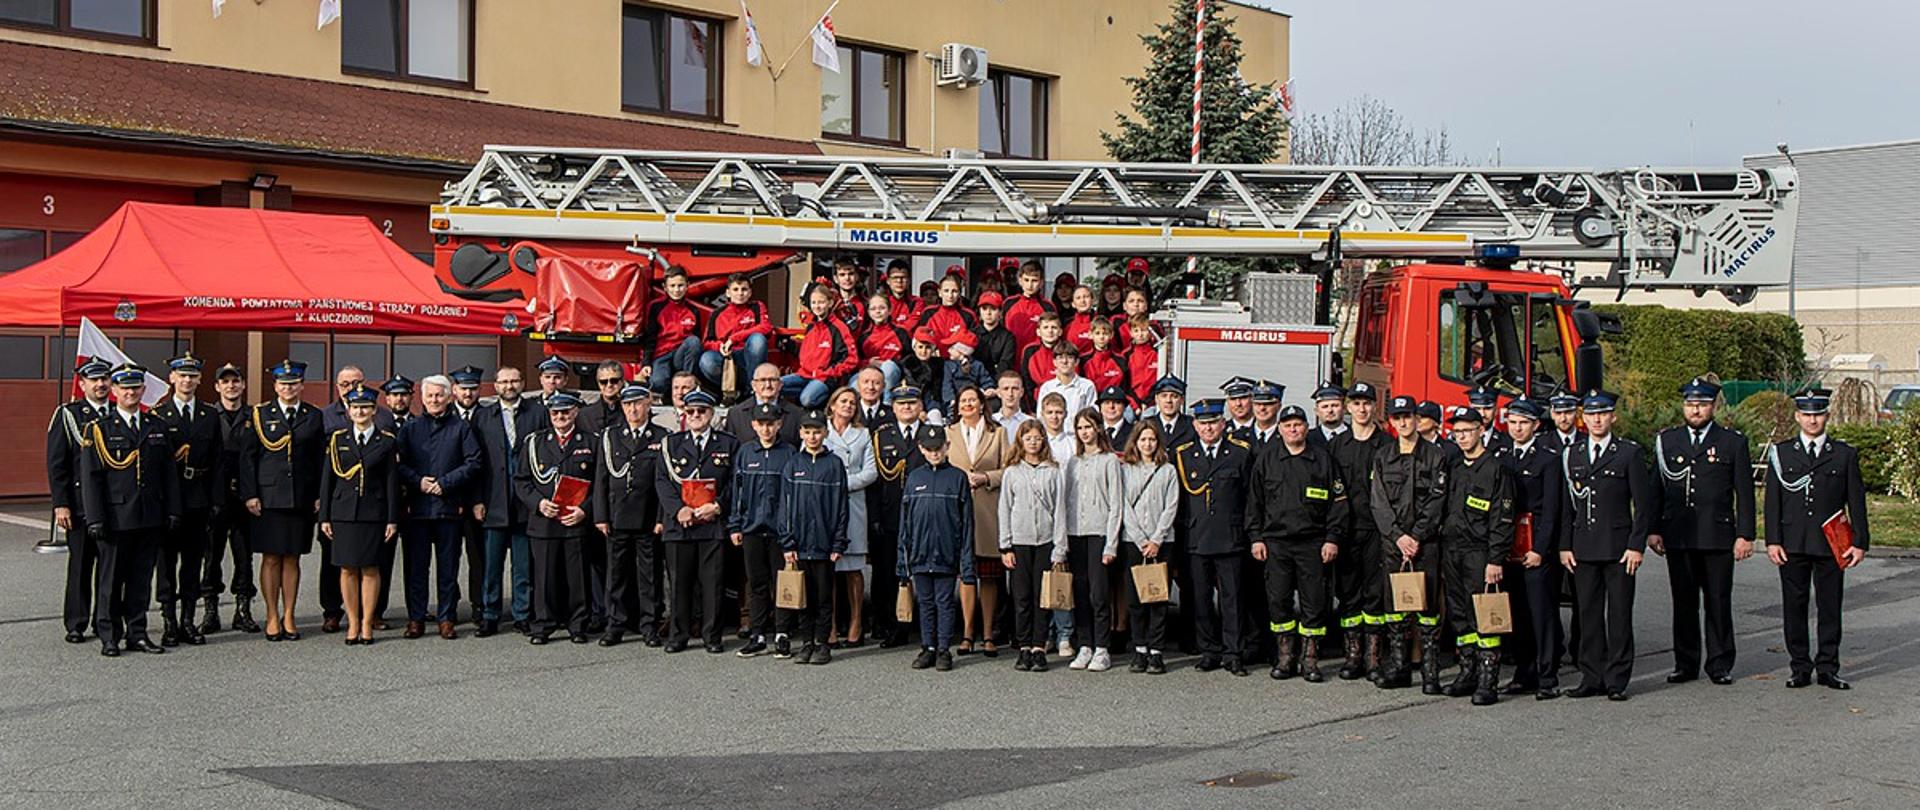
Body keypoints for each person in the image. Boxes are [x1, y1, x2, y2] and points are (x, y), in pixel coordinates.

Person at [1648, 377, 1756, 686]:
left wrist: (1745, 534)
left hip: (1717, 534)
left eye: (1703, 404)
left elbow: (1744, 493)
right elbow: (1656, 488)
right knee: (1683, 602)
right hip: (1678, 534)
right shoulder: (1667, 441)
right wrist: (1653, 528)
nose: (1696, 410)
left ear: (1714, 406)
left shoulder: (1732, 442)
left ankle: (1720, 663)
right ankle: (1685, 663)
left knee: (1718, 600)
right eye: (1691, 404)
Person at [1764, 387, 1869, 690]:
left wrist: (1859, 541)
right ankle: (1799, 667)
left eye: (1818, 414)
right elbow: (1773, 502)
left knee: (1829, 606)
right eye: (1807, 414)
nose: (1812, 420)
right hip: (1793, 542)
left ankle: (1827, 667)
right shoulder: (1782, 453)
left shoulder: (1844, 454)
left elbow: (1856, 502)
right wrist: (1773, 540)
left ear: (1827, 416)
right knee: (1794, 607)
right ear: (1797, 416)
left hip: (1830, 543)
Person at [80, 364, 181, 657]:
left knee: (140, 580)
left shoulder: (156, 426)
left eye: (136, 388)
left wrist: (172, 510)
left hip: (149, 515)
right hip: (115, 517)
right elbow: (91, 479)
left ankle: (137, 633)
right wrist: (95, 517)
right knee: (111, 580)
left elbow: (168, 475)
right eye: (125, 388)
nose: (131, 393)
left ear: (143, 391)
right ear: (114, 391)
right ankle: (109, 634)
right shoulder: (99, 429)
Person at [1559, 390, 1653, 702]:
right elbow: (1567, 506)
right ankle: (1591, 676)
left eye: (1603, 414)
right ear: (1583, 418)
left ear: (1613, 417)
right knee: (1587, 615)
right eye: (1591, 414)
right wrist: (1565, 545)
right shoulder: (1572, 453)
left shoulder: (1628, 453)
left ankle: (1617, 679)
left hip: (1618, 549)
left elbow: (1643, 505)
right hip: (1583, 547)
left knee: (1619, 615)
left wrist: (1636, 545)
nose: (1597, 419)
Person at [1247, 402, 1350, 683]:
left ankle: (1310, 659)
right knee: (1279, 601)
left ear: (1307, 427)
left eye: (1298, 424)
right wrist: (1256, 537)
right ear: (1280, 430)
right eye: (1288, 425)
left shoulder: (1322, 460)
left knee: (1314, 603)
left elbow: (1338, 504)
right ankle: (1285, 657)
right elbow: (1254, 503)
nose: (1294, 429)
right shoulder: (1267, 459)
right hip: (1277, 543)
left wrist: (1332, 538)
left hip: (1313, 544)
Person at [241, 360, 325, 642]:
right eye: (283, 383)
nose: (288, 388)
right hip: (269, 497)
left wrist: (318, 495)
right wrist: (250, 493)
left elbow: (318, 459)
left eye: (293, 383)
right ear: (275, 386)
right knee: (271, 558)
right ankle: (272, 615)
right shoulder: (260, 414)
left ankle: (289, 614)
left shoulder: (313, 416)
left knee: (293, 558)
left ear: (301, 385)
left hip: (301, 496)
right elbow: (248, 457)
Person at [396, 374, 484, 641]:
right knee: (416, 568)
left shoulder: (461, 428)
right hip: (418, 508)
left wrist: (445, 483)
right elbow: (398, 464)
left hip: (449, 507)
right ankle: (416, 619)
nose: (434, 400)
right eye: (430, 395)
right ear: (422, 397)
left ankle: (447, 618)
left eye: (439, 395)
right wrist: (419, 482)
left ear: (449, 397)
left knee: (448, 568)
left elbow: (474, 462)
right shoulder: (410, 429)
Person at [1370, 395, 1447, 691]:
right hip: (1394, 544)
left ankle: (1430, 674)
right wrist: (1399, 536)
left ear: (1417, 419)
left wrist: (1416, 536)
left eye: (1408, 416)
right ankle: (1400, 669)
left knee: (1428, 611)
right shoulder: (1383, 456)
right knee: (1396, 609)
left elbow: (1436, 501)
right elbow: (1378, 502)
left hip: (1424, 544)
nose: (1403, 422)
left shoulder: (1435, 455)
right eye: (1397, 417)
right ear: (1391, 422)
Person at [1437, 407, 1513, 706]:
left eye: (1467, 431)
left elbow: (1502, 518)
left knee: (1484, 614)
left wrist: (1496, 559)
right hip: (1452, 549)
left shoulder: (1496, 468)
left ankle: (1487, 680)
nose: (1463, 437)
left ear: (1481, 430)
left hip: (1480, 552)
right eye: (1457, 432)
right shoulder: (1455, 465)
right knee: (1459, 613)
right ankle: (1467, 672)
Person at [141, 354, 216, 648]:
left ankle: (188, 619)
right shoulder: (159, 415)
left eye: (192, 376)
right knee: (166, 562)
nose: (187, 381)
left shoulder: (209, 415)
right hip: (169, 501)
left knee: (193, 563)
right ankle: (169, 620)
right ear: (171, 379)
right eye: (181, 376)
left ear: (199, 379)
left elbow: (217, 461)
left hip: (198, 498)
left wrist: (215, 500)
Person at [655, 389, 739, 653]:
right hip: (680, 525)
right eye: (690, 411)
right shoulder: (672, 444)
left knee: (712, 583)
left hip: (712, 524)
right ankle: (678, 635)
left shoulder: (728, 444)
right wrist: (678, 509)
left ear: (711, 414)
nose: (695, 416)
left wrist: (718, 506)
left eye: (701, 411)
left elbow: (735, 483)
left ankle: (712, 636)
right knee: (680, 583)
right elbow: (662, 481)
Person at [1176, 399, 1254, 676]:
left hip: (1230, 538)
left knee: (1232, 599)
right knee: (1200, 598)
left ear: (1223, 424)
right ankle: (1208, 650)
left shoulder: (1240, 453)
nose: (1208, 428)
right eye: (1203, 423)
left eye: (1213, 422)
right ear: (1195, 426)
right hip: (1197, 537)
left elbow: (1249, 497)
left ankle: (1233, 652)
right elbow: (1181, 502)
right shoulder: (1184, 455)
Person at [318, 385, 399, 646]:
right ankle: (352, 621)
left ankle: (367, 622)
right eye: (355, 407)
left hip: (373, 513)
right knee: (347, 569)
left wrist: (392, 518)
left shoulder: (386, 441)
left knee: (371, 568)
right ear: (349, 411)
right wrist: (325, 517)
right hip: (343, 513)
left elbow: (391, 483)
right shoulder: (337, 439)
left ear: (374, 410)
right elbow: (327, 481)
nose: (360, 411)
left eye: (365, 407)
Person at [516, 393, 599, 644]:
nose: (560, 417)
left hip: (576, 521)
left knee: (577, 578)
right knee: (544, 577)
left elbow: (600, 483)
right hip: (544, 521)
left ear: (575, 413)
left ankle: (578, 625)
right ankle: (543, 625)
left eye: (565, 412)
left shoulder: (591, 442)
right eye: (555, 413)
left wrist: (586, 509)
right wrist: (538, 504)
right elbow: (521, 481)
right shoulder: (534, 443)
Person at [1497, 398, 1565, 698]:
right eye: (1512, 422)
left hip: (1536, 546)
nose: (1517, 428)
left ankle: (1547, 675)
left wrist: (1540, 548)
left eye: (1523, 423)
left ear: (1536, 425)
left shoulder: (1548, 459)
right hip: (1510, 545)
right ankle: (1524, 673)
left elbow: (1552, 510)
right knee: (1519, 614)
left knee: (1542, 613)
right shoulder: (1501, 456)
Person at [593, 384, 669, 647]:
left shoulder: (661, 436)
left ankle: (650, 624)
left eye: (637, 403)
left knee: (650, 574)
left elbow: (663, 483)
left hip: (648, 517)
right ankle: (616, 624)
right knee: (617, 574)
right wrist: (600, 516)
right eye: (627, 405)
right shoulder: (610, 436)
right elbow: (601, 479)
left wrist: (661, 517)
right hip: (617, 516)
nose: (632, 409)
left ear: (648, 404)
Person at [473, 366, 547, 637]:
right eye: (504, 381)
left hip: (525, 502)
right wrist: (477, 500)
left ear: (523, 383)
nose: (509, 385)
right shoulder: (483, 416)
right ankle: (490, 614)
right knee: (491, 565)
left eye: (514, 380)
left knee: (523, 564)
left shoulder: (538, 413)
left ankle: (522, 614)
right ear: (495, 386)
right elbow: (476, 463)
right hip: (493, 501)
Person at [46, 359, 113, 644]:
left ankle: (105, 620)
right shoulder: (68, 415)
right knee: (81, 565)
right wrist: (61, 504)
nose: (100, 385)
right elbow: (57, 464)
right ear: (82, 384)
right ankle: (76, 622)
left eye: (104, 380)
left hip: (113, 505)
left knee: (110, 567)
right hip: (80, 505)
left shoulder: (120, 412)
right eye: (94, 380)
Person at [897, 431, 975, 672]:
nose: (934, 453)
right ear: (921, 449)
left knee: (944, 602)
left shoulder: (958, 478)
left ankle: (943, 649)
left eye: (938, 448)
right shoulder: (913, 478)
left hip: (946, 552)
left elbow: (967, 523)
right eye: (929, 449)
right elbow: (905, 522)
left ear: (947, 446)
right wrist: (903, 559)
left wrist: (966, 562)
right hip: (920, 553)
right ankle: (927, 647)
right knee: (926, 602)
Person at [779, 410, 850, 664]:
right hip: (799, 544)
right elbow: (784, 508)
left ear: (825, 433)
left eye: (817, 431)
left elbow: (842, 506)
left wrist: (838, 541)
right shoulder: (793, 464)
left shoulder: (834, 464)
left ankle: (822, 644)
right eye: (807, 431)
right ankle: (806, 643)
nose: (812, 436)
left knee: (822, 598)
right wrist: (787, 542)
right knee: (803, 597)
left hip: (824, 544)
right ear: (800, 433)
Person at [1329, 382, 1390, 681]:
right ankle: (1353, 654)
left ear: (1374, 407)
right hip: (1346, 531)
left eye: (1367, 403)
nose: (1362, 409)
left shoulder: (1387, 445)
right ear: (1348, 408)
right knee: (1349, 593)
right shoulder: (1338, 446)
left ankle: (1373, 655)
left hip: (1377, 531)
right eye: (1356, 403)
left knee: (1374, 594)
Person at [945, 385, 1010, 657]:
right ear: (958, 406)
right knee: (967, 576)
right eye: (964, 400)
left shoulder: (999, 433)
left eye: (973, 399)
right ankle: (967, 633)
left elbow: (1009, 468)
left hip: (987, 509)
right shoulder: (949, 433)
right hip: (958, 511)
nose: (969, 404)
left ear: (983, 404)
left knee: (990, 576)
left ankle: (988, 634)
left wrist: (986, 478)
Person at [729, 403, 797, 658]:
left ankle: (782, 634)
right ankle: (758, 634)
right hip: (752, 529)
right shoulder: (746, 452)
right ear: (753, 425)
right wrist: (735, 524)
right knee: (756, 584)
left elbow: (794, 495)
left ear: (779, 424)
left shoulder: (789, 453)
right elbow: (737, 492)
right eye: (762, 423)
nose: (766, 428)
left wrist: (791, 531)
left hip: (781, 532)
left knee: (782, 584)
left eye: (771, 423)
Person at [999, 420, 1068, 672]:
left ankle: (1039, 646)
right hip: (1019, 542)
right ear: (1020, 441)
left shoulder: (1053, 471)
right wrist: (1005, 546)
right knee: (1021, 597)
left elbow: (1060, 510)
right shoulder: (1012, 472)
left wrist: (1059, 546)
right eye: (1028, 438)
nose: (1033, 442)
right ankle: (1023, 646)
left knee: (1043, 597)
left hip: (1045, 541)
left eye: (1038, 438)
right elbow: (1004, 509)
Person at [1062, 408, 1125, 672]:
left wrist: (1111, 543)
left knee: (1099, 593)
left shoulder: (1110, 460)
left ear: (1098, 428)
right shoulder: (1073, 462)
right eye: (1080, 428)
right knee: (1080, 591)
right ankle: (1085, 644)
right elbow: (1065, 502)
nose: (1084, 433)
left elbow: (1116, 504)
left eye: (1089, 427)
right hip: (1076, 533)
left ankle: (1102, 647)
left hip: (1099, 533)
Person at [201, 362, 261, 635]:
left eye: (235, 381)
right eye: (225, 382)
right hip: (216, 495)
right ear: (217, 386)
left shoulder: (255, 416)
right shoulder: (208, 415)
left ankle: (243, 610)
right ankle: (211, 611)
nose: (231, 386)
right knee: (212, 555)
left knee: (244, 555)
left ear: (243, 384)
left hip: (245, 496)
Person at [1114, 421, 1178, 674]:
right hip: (1134, 542)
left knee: (1159, 598)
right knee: (1136, 599)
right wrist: (1141, 539)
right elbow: (1124, 506)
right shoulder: (1126, 469)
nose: (1147, 444)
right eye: (1143, 439)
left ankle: (1157, 651)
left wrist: (1156, 539)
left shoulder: (1168, 470)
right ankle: (1139, 648)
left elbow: (1171, 506)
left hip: (1162, 542)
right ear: (1135, 442)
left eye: (1152, 439)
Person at [870, 385, 930, 647]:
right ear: (892, 407)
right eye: (901, 404)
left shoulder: (931, 435)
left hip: (923, 516)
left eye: (912, 403)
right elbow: (875, 482)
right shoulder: (881, 436)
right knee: (887, 573)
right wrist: (875, 517)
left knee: (925, 571)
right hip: (889, 515)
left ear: (920, 406)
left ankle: (920, 623)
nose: (907, 407)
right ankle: (887, 624)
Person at [821, 387, 878, 648]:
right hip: (825, 506)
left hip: (853, 502)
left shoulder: (863, 434)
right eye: (843, 401)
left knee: (853, 567)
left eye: (853, 403)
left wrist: (843, 483)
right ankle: (830, 624)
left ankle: (856, 622)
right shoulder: (820, 431)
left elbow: (871, 472)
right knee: (830, 569)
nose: (848, 406)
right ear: (832, 405)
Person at [783, 284, 861, 408]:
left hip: (826, 378)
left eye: (821, 302)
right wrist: (790, 345)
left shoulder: (839, 328)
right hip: (804, 375)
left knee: (806, 399)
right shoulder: (811, 327)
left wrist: (830, 373)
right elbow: (807, 353)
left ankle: (828, 402)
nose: (817, 306)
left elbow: (851, 359)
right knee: (774, 385)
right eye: (813, 302)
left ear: (830, 303)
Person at [699, 273, 774, 393]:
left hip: (749, 357)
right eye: (735, 289)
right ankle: (731, 391)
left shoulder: (757, 306)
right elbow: (707, 342)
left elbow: (766, 327)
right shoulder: (717, 313)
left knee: (757, 339)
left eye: (744, 289)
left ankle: (753, 391)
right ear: (728, 293)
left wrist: (734, 339)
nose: (740, 293)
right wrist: (720, 346)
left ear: (750, 292)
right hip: (727, 358)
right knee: (706, 360)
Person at [641, 266, 705, 396]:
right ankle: (670, 388)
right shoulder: (656, 307)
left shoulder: (693, 310)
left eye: (680, 285)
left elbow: (696, 344)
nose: (676, 290)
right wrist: (646, 363)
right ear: (665, 287)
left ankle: (689, 387)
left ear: (687, 285)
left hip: (681, 356)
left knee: (694, 341)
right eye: (672, 286)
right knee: (658, 384)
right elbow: (650, 337)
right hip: (662, 356)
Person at [723, 363, 803, 444]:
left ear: (780, 385)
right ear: (753, 385)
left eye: (772, 380)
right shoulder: (736, 414)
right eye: (763, 380)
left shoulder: (796, 414)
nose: (768, 385)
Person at [861, 293, 913, 394]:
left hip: (893, 372)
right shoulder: (864, 336)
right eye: (873, 309)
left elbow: (909, 358)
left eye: (882, 308)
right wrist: (868, 363)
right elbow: (856, 359)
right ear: (868, 312)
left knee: (888, 367)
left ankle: (886, 405)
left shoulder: (900, 333)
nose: (878, 311)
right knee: (854, 384)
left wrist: (892, 362)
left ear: (889, 310)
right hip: (870, 372)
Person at [916, 274, 979, 354]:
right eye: (946, 291)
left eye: (954, 291)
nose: (950, 295)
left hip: (958, 361)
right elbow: (919, 339)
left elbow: (973, 343)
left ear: (959, 293)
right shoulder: (928, 313)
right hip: (933, 360)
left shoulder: (968, 315)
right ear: (939, 292)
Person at [1036, 342, 1096, 421]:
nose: (1065, 361)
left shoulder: (1087, 386)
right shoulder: (1047, 387)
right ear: (1054, 362)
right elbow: (1041, 416)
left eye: (1070, 357)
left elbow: (1092, 416)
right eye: (1060, 357)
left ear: (1077, 362)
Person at [1003, 260, 1054, 350]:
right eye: (1026, 280)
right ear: (1020, 281)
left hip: (1036, 359)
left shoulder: (1047, 307)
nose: (1030, 285)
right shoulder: (1009, 303)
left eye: (1034, 281)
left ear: (1041, 283)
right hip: (1012, 358)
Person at [973, 292, 1019, 378]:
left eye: (993, 309)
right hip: (975, 381)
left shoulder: (1008, 337)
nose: (988, 313)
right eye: (984, 308)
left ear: (1000, 313)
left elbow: (1005, 364)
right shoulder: (972, 334)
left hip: (998, 382)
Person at [1080, 319, 1129, 397]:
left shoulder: (1120, 360)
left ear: (1111, 335)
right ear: (1090, 335)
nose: (1101, 337)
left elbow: (1125, 387)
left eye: (1105, 333)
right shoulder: (1083, 360)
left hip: (1115, 401)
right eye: (1097, 333)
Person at [1146, 376, 1197, 450]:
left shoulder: (1192, 425)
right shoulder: (1147, 424)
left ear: (1182, 400)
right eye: (1164, 396)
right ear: (1156, 399)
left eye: (1174, 396)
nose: (1168, 400)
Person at [578, 360, 627, 437]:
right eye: (603, 382)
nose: (609, 385)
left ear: (622, 382)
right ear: (598, 384)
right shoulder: (585, 415)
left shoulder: (630, 412)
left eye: (614, 381)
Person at [1019, 314, 1065, 394]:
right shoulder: (1029, 351)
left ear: (1060, 332)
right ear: (1038, 332)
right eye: (1045, 327)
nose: (1050, 331)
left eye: (1054, 327)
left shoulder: (1068, 350)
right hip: (1037, 399)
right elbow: (1026, 381)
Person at [1233, 380, 1284, 449]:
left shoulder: (1286, 437)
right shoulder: (1237, 437)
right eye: (1257, 404)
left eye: (1267, 404)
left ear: (1279, 406)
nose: (1262, 408)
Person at [1124, 316, 1160, 405]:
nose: (1140, 334)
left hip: (1153, 401)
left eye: (1143, 330)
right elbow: (1125, 384)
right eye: (1136, 331)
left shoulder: (1158, 353)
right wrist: (1135, 405)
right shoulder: (1126, 355)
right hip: (1132, 401)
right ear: (1131, 333)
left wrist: (1148, 402)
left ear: (1150, 332)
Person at [830, 257, 870, 330]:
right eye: (842, 275)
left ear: (857, 276)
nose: (847, 278)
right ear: (835, 279)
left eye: (851, 274)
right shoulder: (830, 304)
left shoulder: (866, 304)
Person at [1037, 393, 1075, 465]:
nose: (1054, 417)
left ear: (1066, 414)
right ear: (1042, 414)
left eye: (1059, 412)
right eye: (1049, 412)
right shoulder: (1035, 443)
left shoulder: (1073, 444)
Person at [882, 259, 921, 330]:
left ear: (909, 281)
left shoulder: (916, 302)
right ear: (888, 281)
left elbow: (909, 327)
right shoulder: (881, 302)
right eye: (895, 277)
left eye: (903, 277)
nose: (899, 281)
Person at [1308, 384, 1348, 449]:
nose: (1330, 410)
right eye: (1325, 407)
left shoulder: (1356, 436)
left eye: (1335, 405)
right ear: (1316, 411)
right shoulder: (1307, 438)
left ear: (1344, 408)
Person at [1063, 284, 1099, 354]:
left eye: (1086, 297)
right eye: (1078, 298)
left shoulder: (1101, 322)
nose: (1082, 301)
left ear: (1092, 300)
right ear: (1073, 304)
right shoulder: (1067, 325)